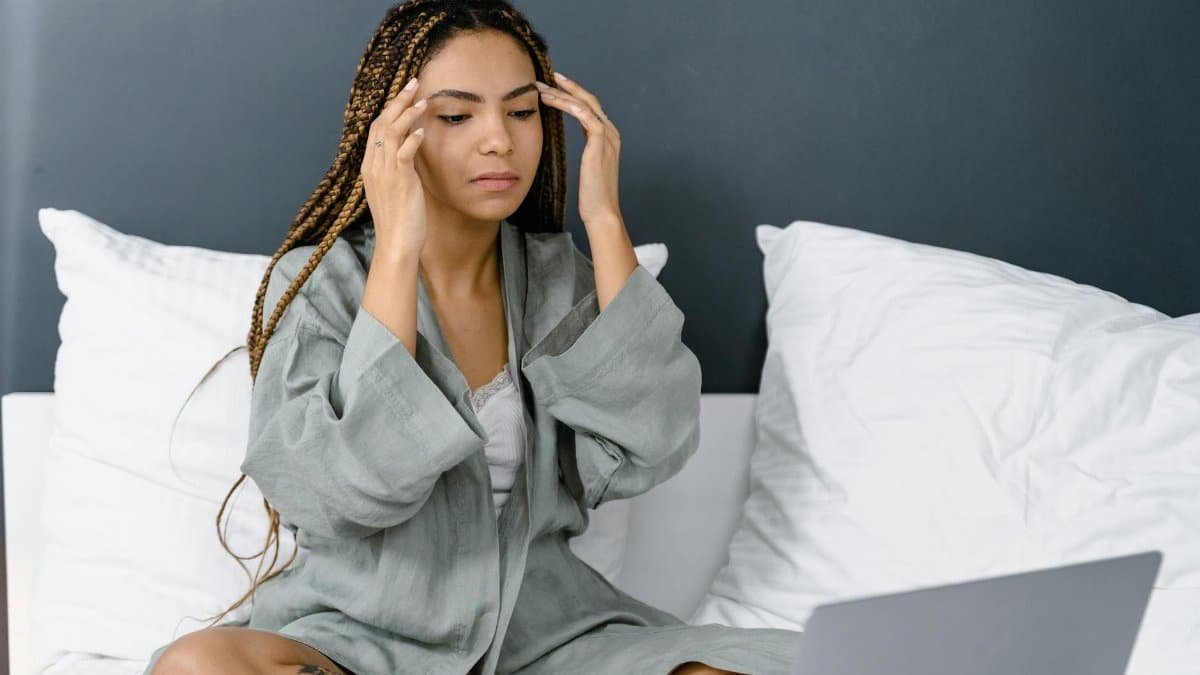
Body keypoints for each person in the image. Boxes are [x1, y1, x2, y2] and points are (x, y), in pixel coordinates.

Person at [145, 1, 802, 673]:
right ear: (391, 134)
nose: (498, 139)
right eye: (457, 116)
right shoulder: (319, 282)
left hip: (550, 636)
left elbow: (653, 445)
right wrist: (398, 248)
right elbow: (337, 496)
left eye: (521, 112)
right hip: (358, 636)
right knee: (198, 664)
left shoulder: (556, 279)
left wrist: (603, 217)